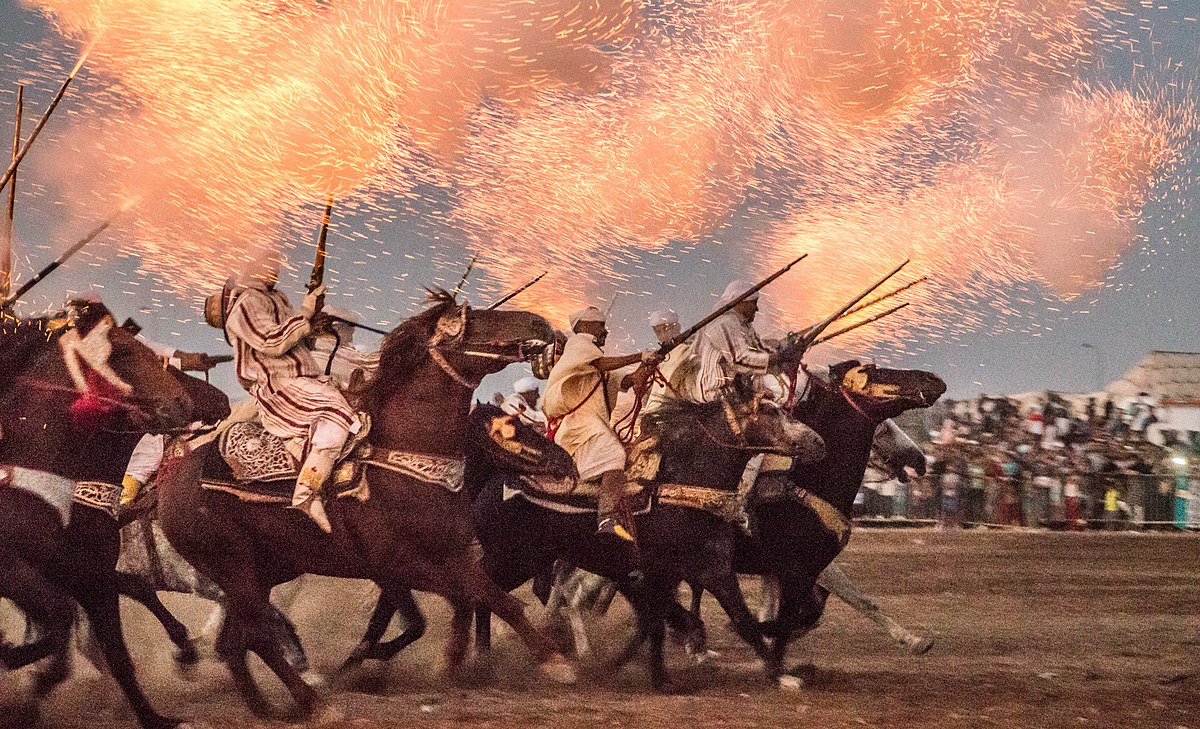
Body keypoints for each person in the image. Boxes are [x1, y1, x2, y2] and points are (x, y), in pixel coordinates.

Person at [205, 263, 357, 533]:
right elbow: (273, 343)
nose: (276, 264)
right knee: (335, 421)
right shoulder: (244, 305)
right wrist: (306, 312)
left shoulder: (277, 298)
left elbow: (294, 340)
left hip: (306, 381)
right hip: (280, 387)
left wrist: (312, 323)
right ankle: (306, 495)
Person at [543, 306, 659, 542]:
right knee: (614, 455)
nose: (605, 331)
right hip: (578, 426)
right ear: (586, 326)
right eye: (601, 325)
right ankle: (607, 518)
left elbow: (629, 381)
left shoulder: (592, 363)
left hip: (591, 425)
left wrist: (648, 365)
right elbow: (602, 363)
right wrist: (640, 356)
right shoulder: (579, 345)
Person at [120, 338, 223, 505]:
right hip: (133, 442)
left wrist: (191, 359)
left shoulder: (128, 339)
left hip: (156, 432)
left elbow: (161, 354)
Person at [310, 306, 380, 388]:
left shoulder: (320, 348)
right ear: (337, 328)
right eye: (350, 333)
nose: (351, 339)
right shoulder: (328, 351)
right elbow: (367, 362)